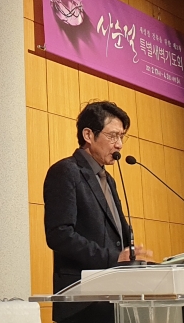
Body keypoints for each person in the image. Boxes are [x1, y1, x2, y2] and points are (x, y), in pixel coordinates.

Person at [43, 101, 150, 323]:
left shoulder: (108, 179)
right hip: (82, 302)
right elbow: (59, 234)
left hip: (114, 297)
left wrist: (131, 256)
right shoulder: (66, 171)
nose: (119, 144)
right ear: (88, 135)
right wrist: (114, 258)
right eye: (113, 136)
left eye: (122, 137)